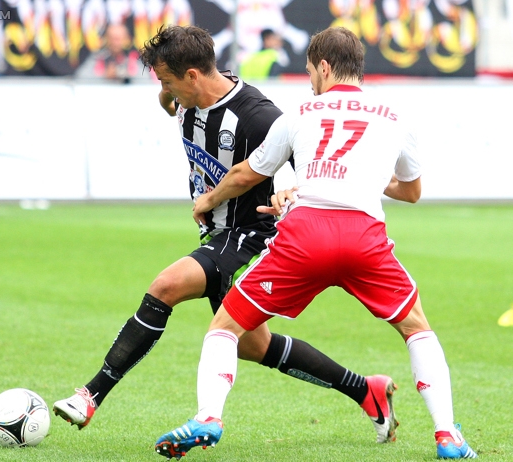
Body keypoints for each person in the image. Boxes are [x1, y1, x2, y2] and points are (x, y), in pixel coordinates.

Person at [53, 24, 398, 447]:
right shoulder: (184, 99)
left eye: (168, 81)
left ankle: (91, 395)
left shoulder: (257, 115)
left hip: (254, 234)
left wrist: (287, 190)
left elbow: (297, 156)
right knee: (254, 346)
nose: (166, 91)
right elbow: (170, 104)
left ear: (193, 75)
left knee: (166, 286)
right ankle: (365, 390)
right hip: (219, 234)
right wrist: (166, 92)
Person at [155, 27, 477, 460]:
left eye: (310, 72)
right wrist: (364, 177)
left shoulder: (300, 111)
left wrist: (208, 199)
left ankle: (209, 417)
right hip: (364, 238)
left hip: (304, 235)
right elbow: (411, 191)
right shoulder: (396, 116)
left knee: (225, 327)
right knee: (416, 327)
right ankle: (448, 436)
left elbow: (248, 174)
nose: (310, 82)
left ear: (324, 67)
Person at [74, 23, 150, 83]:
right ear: (106, 39)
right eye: (112, 38)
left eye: (118, 39)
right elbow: (80, 77)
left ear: (126, 39)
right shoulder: (98, 58)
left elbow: (146, 79)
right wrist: (105, 75)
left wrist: (126, 76)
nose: (115, 43)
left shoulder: (132, 58)